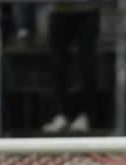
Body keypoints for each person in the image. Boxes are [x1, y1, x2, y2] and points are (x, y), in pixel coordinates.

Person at [40, 1, 101, 134]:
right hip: (58, 11)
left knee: (87, 65)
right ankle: (61, 114)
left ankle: (86, 115)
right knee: (57, 65)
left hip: (88, 10)